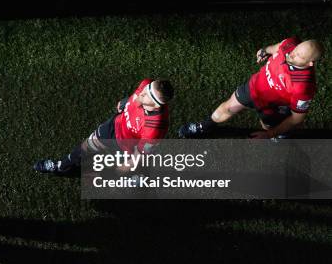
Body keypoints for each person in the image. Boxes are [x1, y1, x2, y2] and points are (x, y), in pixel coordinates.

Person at [179, 37, 323, 139]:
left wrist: (269, 135)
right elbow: (278, 47)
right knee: (226, 108)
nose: (291, 54)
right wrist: (265, 50)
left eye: (299, 56)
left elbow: (297, 119)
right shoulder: (290, 44)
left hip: (271, 107)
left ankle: (279, 136)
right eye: (296, 49)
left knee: (268, 127)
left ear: (310, 63)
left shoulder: (304, 86)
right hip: (253, 88)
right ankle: (203, 127)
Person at [34, 79, 174, 174]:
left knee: (119, 173)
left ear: (156, 105)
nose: (142, 92)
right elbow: (135, 97)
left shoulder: (155, 128)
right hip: (113, 126)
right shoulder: (146, 85)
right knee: (86, 146)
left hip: (125, 148)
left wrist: (126, 167)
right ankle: (60, 166)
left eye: (148, 94)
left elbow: (140, 155)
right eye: (146, 88)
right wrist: (126, 103)